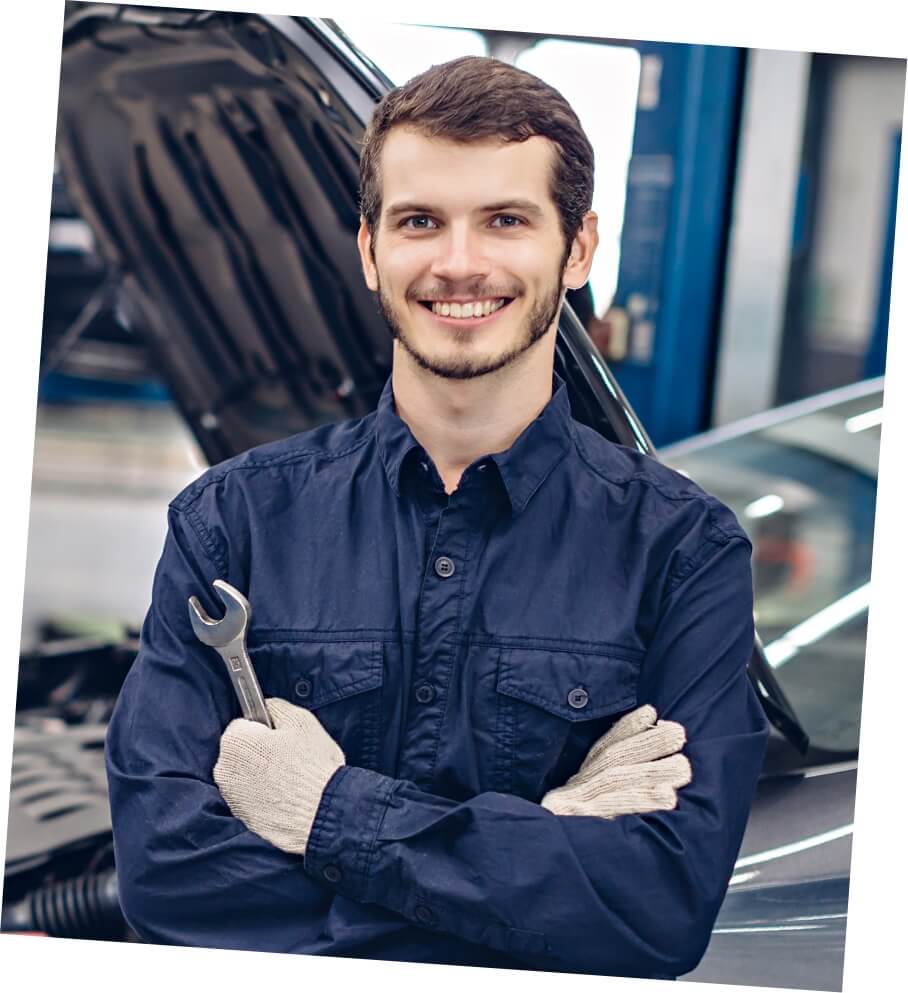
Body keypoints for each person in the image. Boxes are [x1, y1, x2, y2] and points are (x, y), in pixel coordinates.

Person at [105, 56, 769, 979]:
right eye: (421, 221)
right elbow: (165, 877)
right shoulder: (232, 524)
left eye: (506, 219)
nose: (460, 263)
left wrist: (327, 812)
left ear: (578, 251)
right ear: (371, 249)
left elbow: (660, 909)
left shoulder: (683, 553)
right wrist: (541, 846)